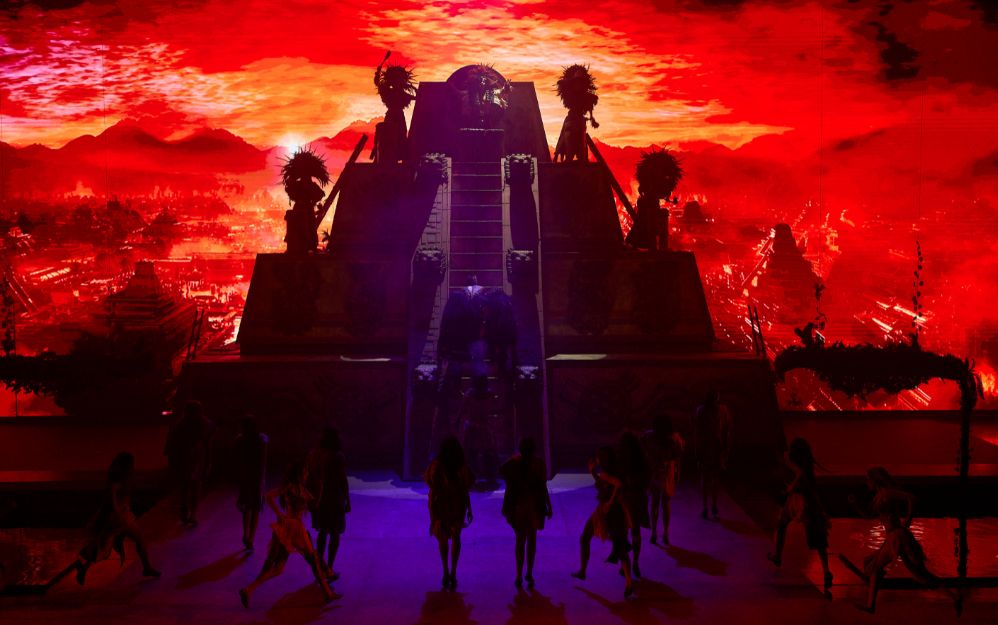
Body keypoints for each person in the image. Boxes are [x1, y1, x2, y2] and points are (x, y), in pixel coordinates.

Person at [851, 466, 953, 613]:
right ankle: (954, 595)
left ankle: (871, 605)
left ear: (874, 480)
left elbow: (912, 498)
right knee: (919, 574)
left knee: (915, 573)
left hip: (897, 536)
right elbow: (868, 516)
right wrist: (855, 505)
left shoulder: (887, 493)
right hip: (893, 537)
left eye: (868, 479)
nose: (867, 482)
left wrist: (908, 521)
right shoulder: (879, 496)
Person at [239, 462, 340, 608]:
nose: (307, 474)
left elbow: (313, 504)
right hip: (295, 528)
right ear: (299, 474)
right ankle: (327, 593)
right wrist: (279, 513)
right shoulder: (293, 488)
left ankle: (248, 589)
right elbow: (269, 496)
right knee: (313, 559)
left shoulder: (298, 489)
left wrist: (321, 486)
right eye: (305, 472)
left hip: (288, 528)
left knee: (279, 568)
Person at [73, 452, 160, 585]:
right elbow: (112, 500)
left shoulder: (121, 479)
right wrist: (118, 514)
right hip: (120, 518)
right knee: (107, 547)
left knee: (106, 546)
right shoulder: (117, 481)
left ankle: (84, 567)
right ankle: (146, 567)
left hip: (122, 517)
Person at [767, 438, 833, 597]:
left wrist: (789, 487)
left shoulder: (801, 471)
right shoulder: (806, 470)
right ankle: (826, 570)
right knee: (817, 539)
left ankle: (778, 556)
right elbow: (809, 490)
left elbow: (800, 482)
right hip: (802, 502)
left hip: (798, 502)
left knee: (783, 524)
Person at [570, 446, 635, 598]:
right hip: (608, 511)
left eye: (599, 457)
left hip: (612, 513)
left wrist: (610, 502)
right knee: (590, 538)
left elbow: (618, 485)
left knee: (618, 545)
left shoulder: (609, 474)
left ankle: (628, 581)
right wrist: (592, 472)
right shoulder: (606, 473)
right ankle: (627, 581)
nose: (597, 459)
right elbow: (604, 483)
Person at [500, 437, 552, 588]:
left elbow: (501, 470)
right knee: (531, 540)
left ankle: (519, 574)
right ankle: (528, 572)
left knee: (520, 541)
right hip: (533, 506)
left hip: (520, 506)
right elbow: (543, 487)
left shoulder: (516, 463)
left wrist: (513, 458)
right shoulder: (538, 464)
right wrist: (549, 505)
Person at [425, 437, 475, 590]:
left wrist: (432, 513)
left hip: (441, 505)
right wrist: (469, 508)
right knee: (456, 537)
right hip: (457, 505)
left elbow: (431, 487)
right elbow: (466, 487)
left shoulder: (436, 465)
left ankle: (446, 570)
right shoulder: (462, 467)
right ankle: (453, 571)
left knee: (443, 538)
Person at [306, 427, 351, 580]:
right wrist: (348, 500)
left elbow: (309, 475)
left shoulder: (314, 454)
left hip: (318, 499)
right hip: (334, 498)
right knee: (334, 533)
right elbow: (342, 480)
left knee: (322, 532)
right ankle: (329, 568)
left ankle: (320, 567)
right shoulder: (337, 456)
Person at [164, 400, 215, 526]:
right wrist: (208, 462)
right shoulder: (205, 425)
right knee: (194, 486)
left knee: (185, 487)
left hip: (186, 459)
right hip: (195, 459)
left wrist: (171, 461)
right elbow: (208, 445)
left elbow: (169, 446)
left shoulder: (179, 426)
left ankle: (186, 513)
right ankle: (191, 514)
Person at [641, 413, 685, 545]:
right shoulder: (675, 438)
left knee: (654, 503)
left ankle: (654, 532)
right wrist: (677, 472)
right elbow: (679, 456)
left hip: (654, 472)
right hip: (667, 473)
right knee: (666, 504)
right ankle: (665, 533)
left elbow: (642, 450)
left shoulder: (649, 436)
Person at [692, 389, 732, 519]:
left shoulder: (705, 410)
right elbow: (726, 430)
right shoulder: (716, 410)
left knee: (710, 479)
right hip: (711, 449)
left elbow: (726, 430)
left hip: (714, 450)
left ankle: (709, 506)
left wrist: (725, 449)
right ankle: (709, 506)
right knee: (710, 479)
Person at [618, 431, 651, 578]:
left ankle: (625, 563)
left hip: (625, 499)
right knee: (636, 532)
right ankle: (636, 561)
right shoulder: (642, 461)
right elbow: (647, 480)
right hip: (638, 498)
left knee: (623, 532)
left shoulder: (621, 461)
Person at [234, 416, 268, 551]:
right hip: (256, 476)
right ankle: (251, 538)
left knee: (247, 507)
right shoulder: (261, 440)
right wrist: (262, 480)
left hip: (245, 476)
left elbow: (237, 460)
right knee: (256, 508)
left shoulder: (239, 440)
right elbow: (263, 462)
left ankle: (246, 534)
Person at [459, 375, 499, 488]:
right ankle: (486, 477)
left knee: (474, 452)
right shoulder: (488, 394)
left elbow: (463, 409)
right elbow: (495, 407)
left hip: (475, 426)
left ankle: (475, 476)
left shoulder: (470, 395)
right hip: (481, 426)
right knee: (484, 452)